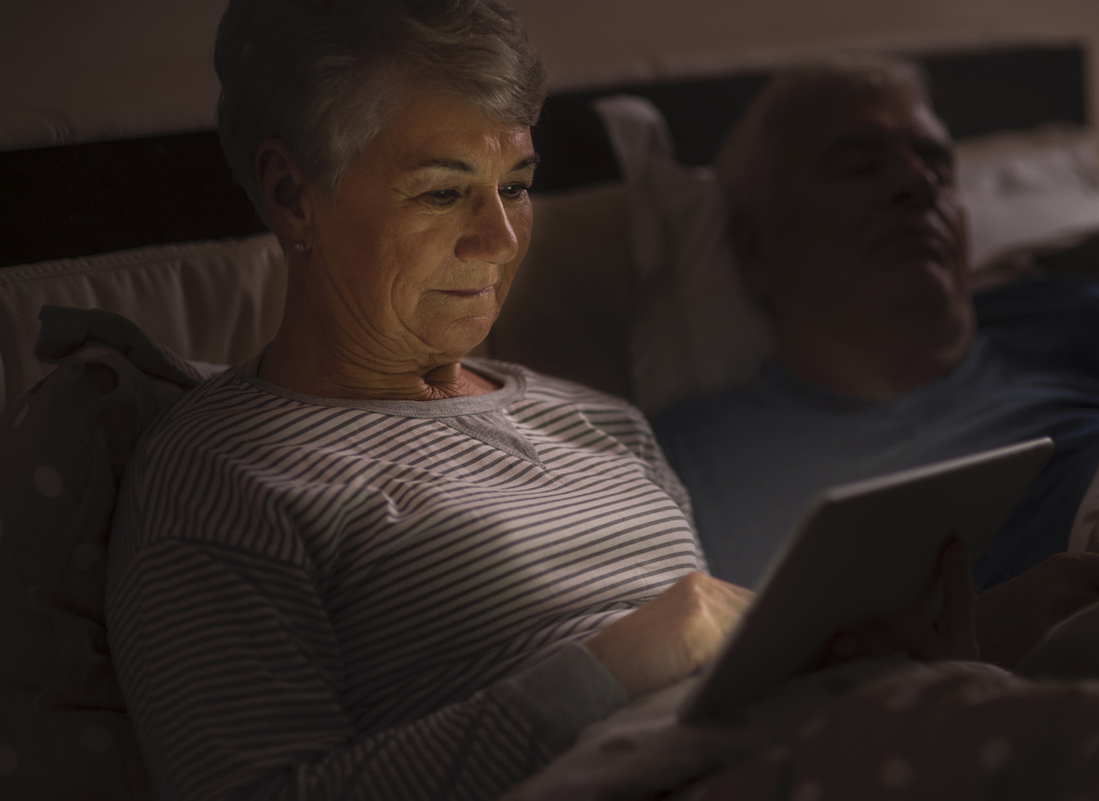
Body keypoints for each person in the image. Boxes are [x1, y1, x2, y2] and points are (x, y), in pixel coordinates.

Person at [103, 2, 765, 798]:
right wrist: (603, 671)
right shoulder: (225, 475)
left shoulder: (602, 423)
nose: (501, 238)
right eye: (444, 193)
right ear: (292, 194)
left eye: (515, 186)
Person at [651, 55, 1099, 602]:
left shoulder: (1086, 319)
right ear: (757, 249)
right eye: (859, 164)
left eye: (938, 163)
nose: (917, 183)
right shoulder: (691, 462)